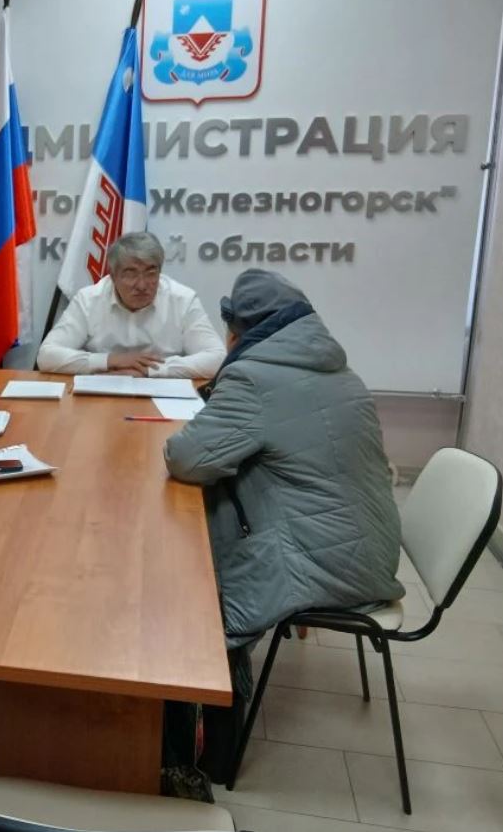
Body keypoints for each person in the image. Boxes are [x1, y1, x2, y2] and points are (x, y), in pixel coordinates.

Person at [161, 269, 405, 788]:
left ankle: (205, 757)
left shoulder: (255, 379)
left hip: (327, 561)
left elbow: (187, 459)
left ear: (238, 331)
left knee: (188, 600)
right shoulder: (337, 370)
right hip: (369, 548)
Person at [36, 231, 226, 377]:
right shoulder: (88, 300)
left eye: (151, 273)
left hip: (163, 396)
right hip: (102, 394)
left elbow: (218, 358)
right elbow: (47, 356)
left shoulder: (182, 300)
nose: (142, 285)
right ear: (113, 276)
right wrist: (110, 361)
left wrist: (150, 370)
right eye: (130, 273)